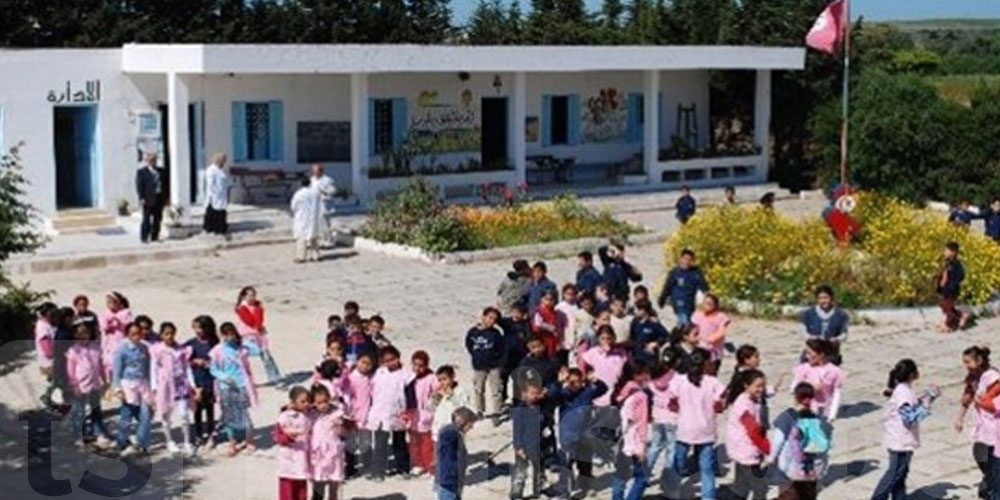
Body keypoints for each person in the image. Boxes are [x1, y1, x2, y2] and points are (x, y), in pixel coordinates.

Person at [871, 359, 940, 500]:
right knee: (894, 474)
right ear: (913, 374)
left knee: (901, 474)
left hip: (899, 438)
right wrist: (928, 402)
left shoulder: (903, 389)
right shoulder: (904, 392)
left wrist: (926, 397)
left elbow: (910, 406)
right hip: (900, 440)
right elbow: (909, 417)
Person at [668, 349, 726, 500]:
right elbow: (720, 404)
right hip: (706, 429)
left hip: (685, 429)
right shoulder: (712, 382)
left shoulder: (679, 381)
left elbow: (671, 402)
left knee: (678, 464)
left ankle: (672, 492)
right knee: (707, 470)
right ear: (705, 364)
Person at [547, 367, 607, 499]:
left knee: (585, 463)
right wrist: (559, 382)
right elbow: (551, 394)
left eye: (577, 382)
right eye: (571, 382)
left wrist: (596, 381)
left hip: (585, 434)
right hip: (568, 436)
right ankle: (564, 491)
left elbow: (603, 389)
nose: (575, 385)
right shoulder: (563, 394)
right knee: (566, 464)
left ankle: (586, 485)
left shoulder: (587, 392)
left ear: (582, 381)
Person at [771, 383, 830, 500]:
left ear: (796, 397)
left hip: (791, 468)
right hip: (812, 469)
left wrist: (771, 458)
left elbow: (778, 441)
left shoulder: (787, 416)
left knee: (788, 495)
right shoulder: (817, 417)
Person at [955, 346, 999, 500]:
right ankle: (992, 480)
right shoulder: (973, 377)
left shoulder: (993, 377)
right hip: (982, 426)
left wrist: (985, 402)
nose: (966, 365)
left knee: (992, 458)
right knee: (979, 453)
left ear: (979, 361)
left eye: (968, 362)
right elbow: (967, 396)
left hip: (994, 425)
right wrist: (960, 418)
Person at [210, 322, 259, 456]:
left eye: (231, 334)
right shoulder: (217, 351)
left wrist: (244, 340)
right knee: (228, 416)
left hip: (242, 384)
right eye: (226, 335)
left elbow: (257, 350)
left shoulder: (241, 348)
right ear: (221, 335)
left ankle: (250, 440)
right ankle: (233, 442)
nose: (229, 338)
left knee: (244, 413)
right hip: (226, 386)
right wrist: (224, 377)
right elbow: (214, 369)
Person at [150, 322, 195, 455]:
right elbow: (154, 368)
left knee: (184, 414)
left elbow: (187, 367)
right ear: (161, 335)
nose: (169, 336)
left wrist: (192, 384)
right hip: (165, 384)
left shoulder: (181, 349)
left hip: (180, 383)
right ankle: (169, 440)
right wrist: (154, 386)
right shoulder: (158, 349)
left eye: (171, 333)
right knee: (166, 413)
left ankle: (187, 441)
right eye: (166, 334)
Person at [65, 320, 111, 447]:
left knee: (96, 410)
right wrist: (74, 385)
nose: (82, 336)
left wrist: (105, 380)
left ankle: (99, 433)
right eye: (79, 333)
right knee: (79, 411)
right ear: (74, 335)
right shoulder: (73, 351)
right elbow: (70, 370)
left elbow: (101, 366)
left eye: (85, 333)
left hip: (95, 384)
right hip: (80, 385)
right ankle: (79, 434)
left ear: (90, 333)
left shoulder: (96, 348)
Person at [726, 369, 771, 500]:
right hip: (746, 451)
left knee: (741, 487)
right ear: (746, 385)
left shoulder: (749, 400)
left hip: (741, 450)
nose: (761, 389)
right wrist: (769, 449)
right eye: (758, 386)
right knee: (760, 488)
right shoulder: (743, 405)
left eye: (763, 385)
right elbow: (753, 431)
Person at [611, 359, 652, 500]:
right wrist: (642, 446)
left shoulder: (621, 390)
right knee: (642, 477)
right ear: (636, 375)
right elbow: (641, 423)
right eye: (645, 373)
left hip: (621, 438)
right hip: (634, 440)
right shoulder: (641, 396)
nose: (648, 375)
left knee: (620, 474)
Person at [368, 346, 410, 480]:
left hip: (398, 412)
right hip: (380, 412)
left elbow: (410, 392)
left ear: (398, 357)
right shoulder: (380, 373)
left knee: (399, 442)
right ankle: (379, 471)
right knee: (380, 443)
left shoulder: (405, 373)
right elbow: (372, 390)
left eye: (393, 359)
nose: (391, 362)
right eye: (387, 360)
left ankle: (402, 468)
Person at [112, 322, 153, 455]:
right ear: (127, 335)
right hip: (128, 384)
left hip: (143, 383)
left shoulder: (145, 348)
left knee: (146, 414)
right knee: (127, 414)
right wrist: (118, 388)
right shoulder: (122, 350)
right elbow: (117, 370)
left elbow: (147, 368)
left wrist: (152, 386)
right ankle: (121, 440)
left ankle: (142, 442)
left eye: (139, 333)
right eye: (133, 334)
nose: (136, 336)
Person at [235, 286, 282, 383]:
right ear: (244, 296)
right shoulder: (242, 308)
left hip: (258, 335)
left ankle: (274, 376)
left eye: (254, 295)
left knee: (266, 356)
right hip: (246, 336)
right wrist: (258, 313)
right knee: (242, 358)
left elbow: (260, 320)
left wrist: (258, 310)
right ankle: (242, 378)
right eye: (250, 295)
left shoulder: (257, 307)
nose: (252, 297)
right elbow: (250, 322)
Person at [791, 339, 845, 421]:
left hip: (825, 411)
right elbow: (793, 388)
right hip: (806, 411)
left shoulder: (835, 371)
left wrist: (832, 415)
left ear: (821, 355)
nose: (806, 356)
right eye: (806, 353)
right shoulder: (805, 368)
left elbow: (836, 394)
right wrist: (809, 388)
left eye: (810, 353)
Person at [465, 307, 504, 420]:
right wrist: (476, 356)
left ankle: (497, 412)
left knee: (496, 389)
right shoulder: (473, 332)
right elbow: (469, 345)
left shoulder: (496, 333)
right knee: (478, 389)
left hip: (494, 366)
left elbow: (501, 348)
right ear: (483, 317)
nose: (491, 321)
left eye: (494, 320)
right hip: (479, 365)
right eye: (489, 318)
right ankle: (480, 410)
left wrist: (498, 361)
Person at [309, 383, 347, 500]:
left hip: (333, 453)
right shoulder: (311, 414)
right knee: (318, 485)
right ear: (313, 402)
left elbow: (344, 433)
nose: (323, 405)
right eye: (319, 403)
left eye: (325, 401)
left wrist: (340, 426)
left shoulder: (337, 413)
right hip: (318, 455)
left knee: (334, 484)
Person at [186, 315, 219, 446]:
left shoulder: (214, 343)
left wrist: (210, 363)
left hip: (211, 380)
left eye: (199, 327)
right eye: (195, 327)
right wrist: (193, 361)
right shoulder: (191, 343)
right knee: (197, 409)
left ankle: (211, 434)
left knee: (210, 409)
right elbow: (182, 358)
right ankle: (199, 434)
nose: (197, 330)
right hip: (196, 380)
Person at [276, 386, 312, 500]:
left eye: (308, 401)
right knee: (288, 490)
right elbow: (278, 437)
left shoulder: (306, 416)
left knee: (301, 490)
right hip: (289, 459)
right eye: (303, 401)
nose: (306, 404)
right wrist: (289, 437)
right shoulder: (284, 417)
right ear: (293, 402)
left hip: (301, 458)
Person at [510, 381, 544, 500]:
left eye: (537, 393)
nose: (534, 396)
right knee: (520, 471)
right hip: (523, 446)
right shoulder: (520, 410)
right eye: (531, 393)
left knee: (538, 470)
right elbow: (517, 430)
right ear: (524, 394)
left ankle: (536, 491)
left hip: (537, 445)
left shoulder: (540, 408)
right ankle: (516, 493)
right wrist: (518, 447)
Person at [658, 249, 709, 327]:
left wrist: (706, 300)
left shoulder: (695, 273)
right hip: (678, 301)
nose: (686, 262)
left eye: (689, 260)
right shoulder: (675, 272)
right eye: (685, 259)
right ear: (680, 259)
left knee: (688, 320)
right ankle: (682, 332)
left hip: (690, 302)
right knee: (683, 320)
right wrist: (662, 299)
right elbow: (667, 287)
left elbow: (704, 287)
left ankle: (683, 334)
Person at [579, 326, 628, 407]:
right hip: (598, 392)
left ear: (614, 338)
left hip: (614, 393)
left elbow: (625, 370)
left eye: (609, 338)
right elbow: (582, 363)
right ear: (598, 339)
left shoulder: (621, 353)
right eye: (603, 338)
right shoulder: (594, 352)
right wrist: (586, 376)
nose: (606, 341)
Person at [436, 407, 478, 500]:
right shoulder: (450, 433)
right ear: (463, 423)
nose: (471, 427)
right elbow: (446, 436)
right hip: (448, 481)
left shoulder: (457, 434)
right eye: (470, 424)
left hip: (456, 480)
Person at [800, 285, 849, 365]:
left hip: (831, 352)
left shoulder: (841, 315)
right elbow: (803, 331)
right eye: (820, 298)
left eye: (826, 298)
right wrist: (811, 338)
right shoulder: (808, 314)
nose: (823, 301)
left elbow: (844, 333)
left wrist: (837, 340)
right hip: (812, 353)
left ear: (831, 298)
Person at [407, 350, 437, 476]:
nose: (418, 368)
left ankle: (429, 465)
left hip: (426, 415)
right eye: (415, 365)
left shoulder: (431, 378)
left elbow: (436, 393)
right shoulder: (409, 377)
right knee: (414, 442)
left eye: (421, 365)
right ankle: (418, 463)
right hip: (412, 415)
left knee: (427, 443)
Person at [344, 353, 374, 479]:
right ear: (357, 362)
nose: (365, 366)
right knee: (350, 443)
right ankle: (350, 468)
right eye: (363, 362)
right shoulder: (350, 378)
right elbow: (346, 396)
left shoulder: (371, 379)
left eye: (368, 364)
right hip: (352, 415)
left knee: (365, 442)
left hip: (366, 414)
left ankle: (367, 466)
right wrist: (347, 413)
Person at [499, 303, 531, 403]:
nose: (516, 315)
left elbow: (529, 338)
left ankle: (516, 401)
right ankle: (502, 399)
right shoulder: (507, 322)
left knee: (518, 380)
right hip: (506, 356)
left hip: (520, 357)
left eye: (518, 313)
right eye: (514, 312)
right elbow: (496, 319)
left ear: (524, 315)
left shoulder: (526, 325)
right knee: (503, 378)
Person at [430, 366, 470, 447]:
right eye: (439, 380)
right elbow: (431, 409)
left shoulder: (460, 391)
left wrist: (452, 396)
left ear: (452, 377)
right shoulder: (440, 393)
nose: (442, 383)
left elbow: (463, 409)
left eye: (445, 379)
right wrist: (435, 399)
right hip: (438, 431)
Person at [99, 292, 133, 382]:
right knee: (108, 362)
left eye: (112, 302)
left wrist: (118, 321)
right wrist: (110, 322)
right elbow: (103, 327)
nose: (109, 304)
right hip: (109, 342)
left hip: (121, 339)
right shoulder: (105, 314)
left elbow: (128, 326)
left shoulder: (126, 312)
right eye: (108, 302)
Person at [692, 293, 730, 372]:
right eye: (705, 303)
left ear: (715, 305)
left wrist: (711, 339)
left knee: (711, 372)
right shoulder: (698, 315)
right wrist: (694, 337)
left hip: (714, 349)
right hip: (699, 347)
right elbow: (694, 328)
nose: (706, 306)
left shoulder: (720, 317)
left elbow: (721, 331)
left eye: (709, 304)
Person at [938, 241, 969, 331]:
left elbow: (961, 275)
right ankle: (962, 316)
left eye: (947, 251)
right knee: (945, 306)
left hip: (952, 290)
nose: (945, 253)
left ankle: (948, 325)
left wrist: (952, 285)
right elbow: (944, 275)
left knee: (947, 307)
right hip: (945, 289)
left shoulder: (956, 265)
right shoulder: (947, 263)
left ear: (954, 252)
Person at [291, 177, 323, 263]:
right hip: (313, 217)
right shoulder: (316, 192)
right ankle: (316, 256)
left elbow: (293, 206)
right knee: (314, 237)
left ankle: (301, 257)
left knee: (301, 238)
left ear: (301, 184)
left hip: (302, 217)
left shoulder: (298, 194)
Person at [135, 152, 165, 243]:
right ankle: (144, 237)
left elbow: (165, 184)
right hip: (148, 199)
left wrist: (166, 197)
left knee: (157, 219)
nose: (153, 162)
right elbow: (140, 186)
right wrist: (141, 197)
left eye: (154, 160)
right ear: (147, 161)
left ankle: (155, 236)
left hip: (159, 198)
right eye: (151, 160)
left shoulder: (161, 171)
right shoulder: (142, 172)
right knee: (146, 219)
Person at [34, 302, 58, 406]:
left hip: (52, 359)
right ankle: (47, 397)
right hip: (49, 361)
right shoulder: (42, 326)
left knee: (53, 381)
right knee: (55, 380)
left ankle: (47, 396)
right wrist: (53, 354)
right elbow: (45, 345)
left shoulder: (48, 323)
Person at [309, 163, 337, 245]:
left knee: (326, 223)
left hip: (324, 204)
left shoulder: (327, 180)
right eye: (313, 171)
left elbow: (333, 191)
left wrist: (324, 191)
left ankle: (328, 240)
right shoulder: (312, 179)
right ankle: (320, 239)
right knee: (317, 223)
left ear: (321, 171)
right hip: (315, 204)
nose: (314, 172)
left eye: (315, 171)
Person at [532, 290, 564, 360]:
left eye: (551, 300)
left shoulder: (554, 312)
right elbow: (537, 324)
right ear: (541, 299)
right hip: (542, 338)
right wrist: (550, 328)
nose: (549, 302)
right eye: (546, 299)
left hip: (552, 340)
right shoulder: (538, 311)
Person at [203, 152, 230, 235]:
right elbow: (211, 184)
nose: (224, 163)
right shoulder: (211, 170)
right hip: (214, 195)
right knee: (213, 212)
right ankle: (212, 228)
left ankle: (221, 228)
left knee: (221, 212)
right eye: (223, 161)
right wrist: (216, 192)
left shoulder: (219, 170)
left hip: (221, 195)